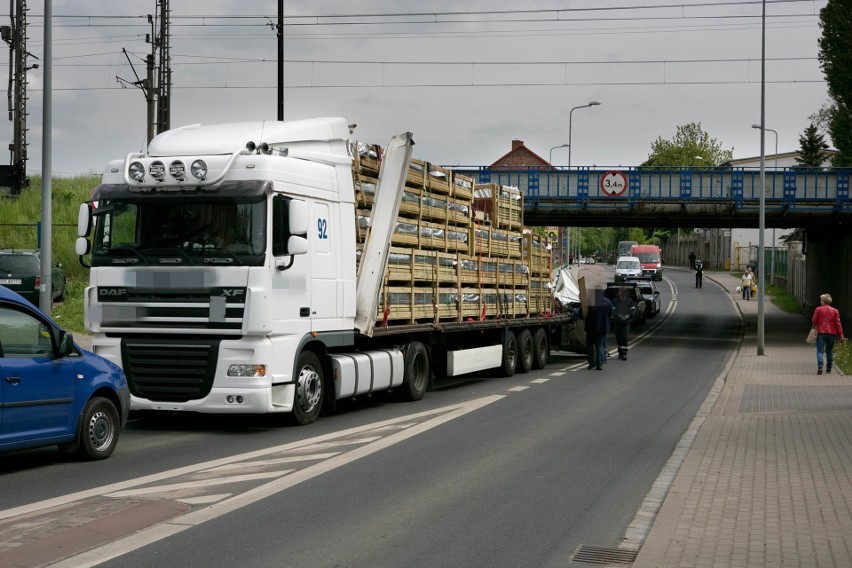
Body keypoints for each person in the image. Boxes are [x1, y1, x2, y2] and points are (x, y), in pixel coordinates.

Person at [811, 293, 845, 375]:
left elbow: (814, 321)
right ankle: (829, 368)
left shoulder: (818, 309)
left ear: (823, 301)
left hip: (821, 332)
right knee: (829, 351)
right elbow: (838, 324)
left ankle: (820, 366)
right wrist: (841, 335)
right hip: (831, 333)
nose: (820, 302)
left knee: (820, 351)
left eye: (821, 300)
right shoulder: (835, 311)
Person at [584, 288, 613, 371]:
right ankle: (599, 364)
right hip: (603, 327)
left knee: (590, 345)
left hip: (590, 327)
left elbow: (582, 313)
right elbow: (611, 314)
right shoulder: (608, 302)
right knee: (599, 346)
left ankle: (591, 363)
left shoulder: (589, 302)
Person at [612, 287, 635, 360]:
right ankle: (620, 353)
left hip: (626, 322)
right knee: (618, 337)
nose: (621, 293)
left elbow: (633, 311)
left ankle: (624, 353)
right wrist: (618, 316)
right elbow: (613, 311)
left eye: (622, 292)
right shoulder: (615, 301)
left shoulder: (629, 301)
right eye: (620, 291)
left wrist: (628, 316)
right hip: (618, 322)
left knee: (624, 337)